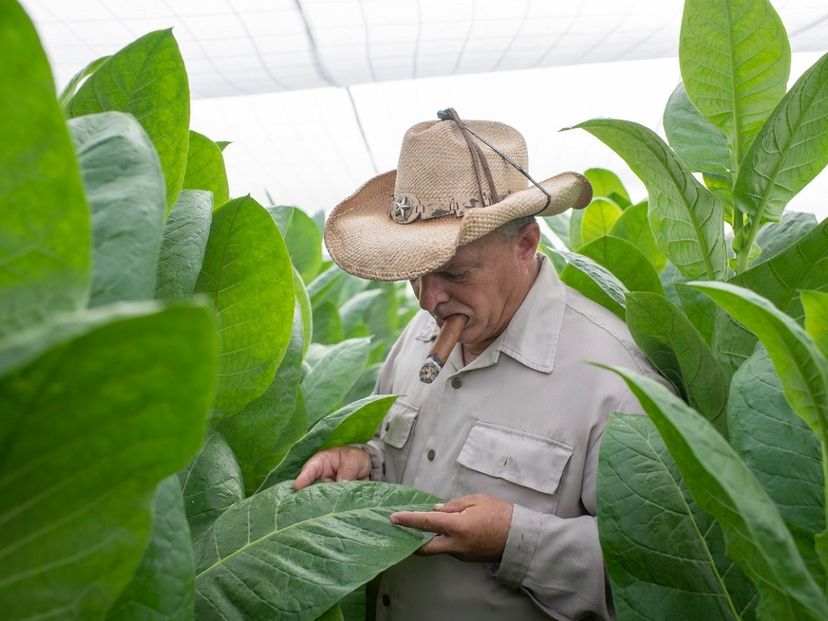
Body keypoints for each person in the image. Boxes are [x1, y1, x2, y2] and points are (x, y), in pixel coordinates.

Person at [294, 109, 663, 620]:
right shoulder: (421, 333)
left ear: (526, 244)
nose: (427, 301)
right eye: (416, 276)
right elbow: (404, 449)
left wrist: (517, 540)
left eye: (453, 273)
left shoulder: (616, 380)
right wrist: (365, 462)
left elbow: (661, 573)